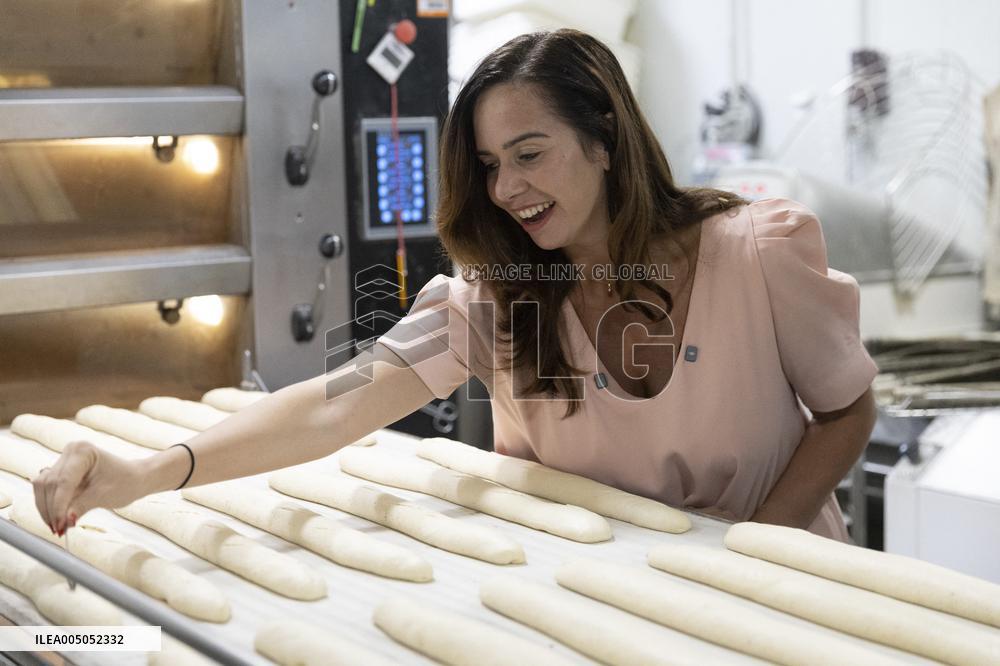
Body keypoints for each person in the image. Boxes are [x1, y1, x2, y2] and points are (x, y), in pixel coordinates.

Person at [33, 29, 877, 543]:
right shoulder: (495, 298)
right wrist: (145, 473)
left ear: (606, 138)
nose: (506, 189)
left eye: (529, 153)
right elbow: (339, 400)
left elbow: (846, 410)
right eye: (487, 166)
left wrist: (757, 551)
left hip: (777, 595)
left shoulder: (756, 253)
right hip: (594, 608)